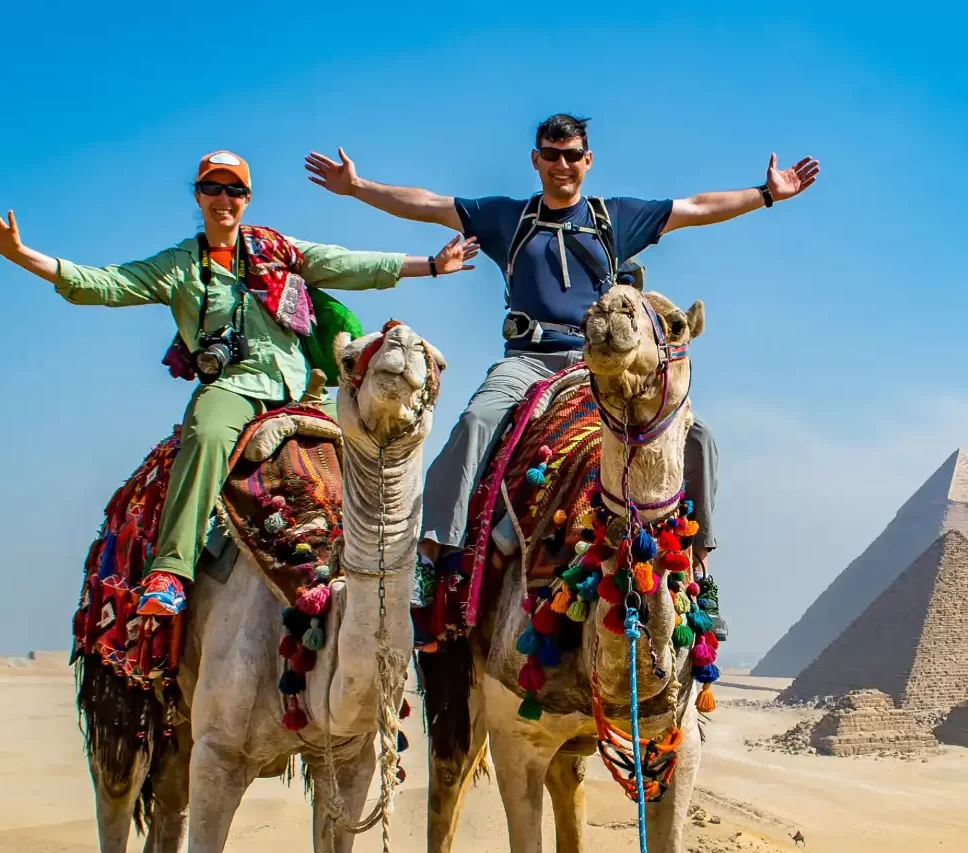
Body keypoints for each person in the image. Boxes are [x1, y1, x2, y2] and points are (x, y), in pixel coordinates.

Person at [304, 114, 822, 585]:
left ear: (587, 161)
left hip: (602, 366)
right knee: (475, 422)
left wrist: (767, 194)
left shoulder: (614, 218)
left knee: (697, 433)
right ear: (536, 160)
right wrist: (357, 188)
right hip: (526, 360)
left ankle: (697, 561)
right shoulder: (507, 218)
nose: (562, 165)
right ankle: (432, 556)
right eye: (551, 155)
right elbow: (429, 205)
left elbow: (697, 208)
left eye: (572, 155)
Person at [0, 150, 477, 616]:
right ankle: (170, 572)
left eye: (234, 190)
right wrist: (20, 253)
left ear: (247, 199)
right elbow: (103, 283)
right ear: (198, 195)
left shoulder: (278, 250)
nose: (224, 199)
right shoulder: (179, 267)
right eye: (213, 188)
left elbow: (347, 264)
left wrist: (432, 265)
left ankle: (401, 571)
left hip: (300, 390)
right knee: (207, 434)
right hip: (233, 389)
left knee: (370, 450)